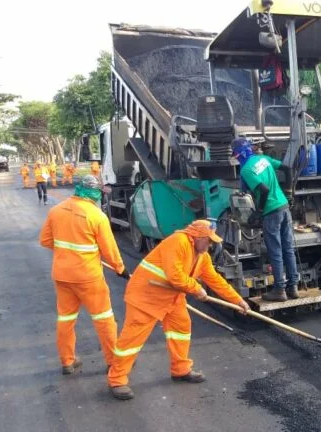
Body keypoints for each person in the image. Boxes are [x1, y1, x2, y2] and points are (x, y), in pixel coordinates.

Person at [107, 220, 250, 400]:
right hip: (146, 296)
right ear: (197, 237)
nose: (211, 244)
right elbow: (174, 275)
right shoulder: (178, 242)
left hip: (171, 298)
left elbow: (215, 280)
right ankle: (117, 380)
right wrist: (196, 288)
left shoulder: (202, 256)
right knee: (132, 339)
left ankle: (180, 369)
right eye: (209, 240)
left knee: (181, 329)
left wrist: (237, 300)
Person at [39, 175, 128, 375]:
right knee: (104, 318)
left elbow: (45, 240)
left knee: (66, 319)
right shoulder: (96, 216)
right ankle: (113, 361)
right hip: (88, 277)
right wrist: (120, 268)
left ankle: (67, 362)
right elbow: (110, 251)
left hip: (62, 276)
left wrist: (66, 253)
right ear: (94, 192)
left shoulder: (56, 211)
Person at [232, 138, 298, 302]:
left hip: (271, 212)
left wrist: (259, 212)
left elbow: (264, 189)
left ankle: (279, 290)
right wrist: (289, 192)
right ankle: (293, 287)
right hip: (284, 207)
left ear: (238, 154)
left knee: (275, 250)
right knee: (288, 248)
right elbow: (287, 168)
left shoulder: (246, 170)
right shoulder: (263, 158)